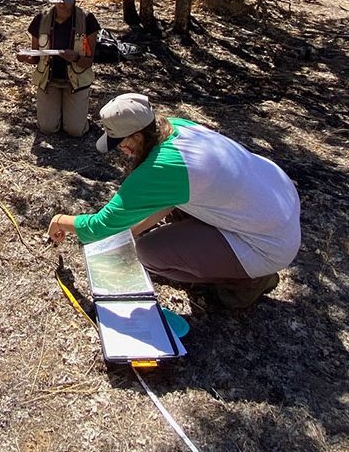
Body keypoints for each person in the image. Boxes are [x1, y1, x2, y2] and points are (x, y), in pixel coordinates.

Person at [47, 92, 301, 309]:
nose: (120, 150)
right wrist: (129, 232)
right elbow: (170, 200)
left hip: (269, 244)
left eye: (121, 143)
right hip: (277, 203)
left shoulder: (160, 169)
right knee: (166, 220)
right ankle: (235, 263)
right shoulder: (175, 126)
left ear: (137, 136)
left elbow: (99, 227)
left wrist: (60, 221)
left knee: (149, 253)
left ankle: (247, 282)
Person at [19, 0, 100, 137]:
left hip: (75, 82)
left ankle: (75, 116)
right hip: (49, 81)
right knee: (47, 128)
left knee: (75, 131)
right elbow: (36, 57)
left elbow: (88, 62)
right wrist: (25, 58)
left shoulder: (87, 20)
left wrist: (75, 57)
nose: (62, 3)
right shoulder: (40, 20)